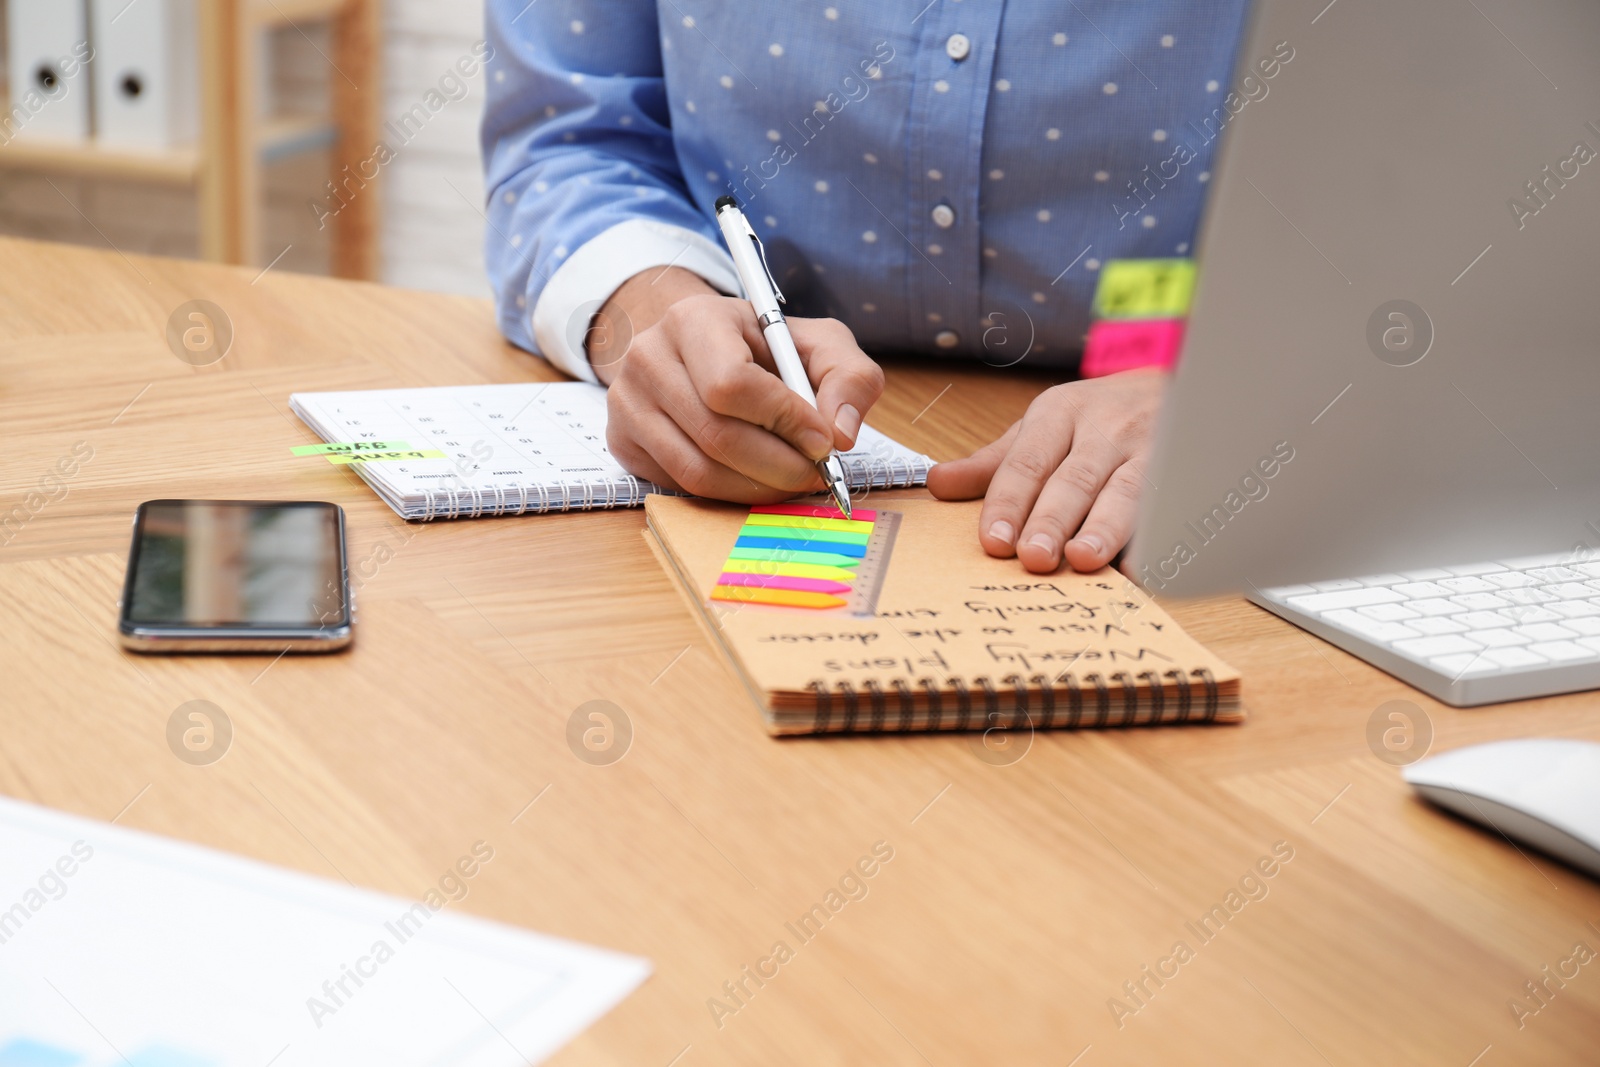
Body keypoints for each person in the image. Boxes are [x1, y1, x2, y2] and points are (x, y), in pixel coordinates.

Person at [482, 3, 1247, 573]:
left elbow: (1367, 197)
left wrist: (1237, 382)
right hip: (763, 445)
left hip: (1181, 489)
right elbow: (568, 143)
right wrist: (664, 312)